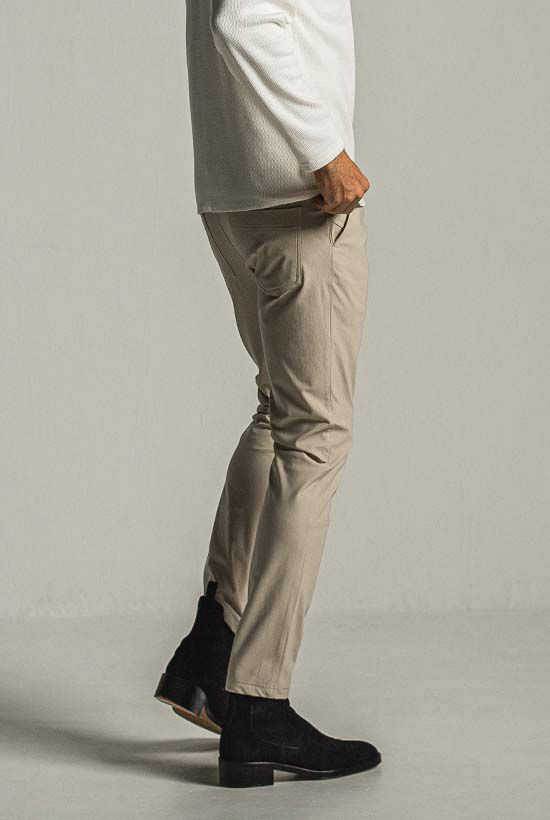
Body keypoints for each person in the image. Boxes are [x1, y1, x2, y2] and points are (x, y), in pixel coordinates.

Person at [155, 0, 381, 788]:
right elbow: (246, 20)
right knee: (316, 435)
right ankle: (258, 703)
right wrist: (325, 150)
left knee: (281, 411)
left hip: (235, 190)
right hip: (298, 195)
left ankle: (213, 648)